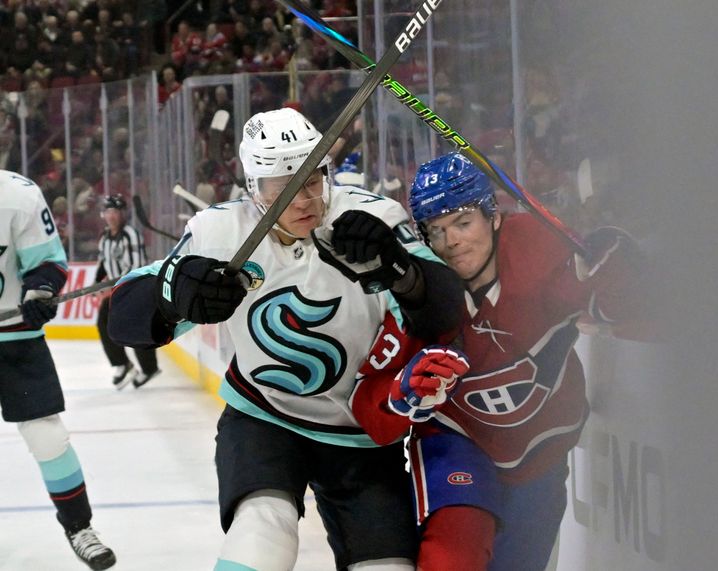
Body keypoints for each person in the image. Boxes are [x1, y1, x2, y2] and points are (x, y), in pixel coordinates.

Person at [107, 108, 465, 570]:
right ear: (254, 189)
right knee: (262, 530)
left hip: (358, 437)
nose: (304, 200)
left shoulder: (372, 219)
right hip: (264, 419)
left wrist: (400, 267)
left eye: (313, 179)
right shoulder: (222, 233)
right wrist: (175, 295)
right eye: (283, 188)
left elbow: (445, 313)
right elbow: (123, 318)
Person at [396, 153, 643, 570]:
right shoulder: (423, 275)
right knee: (453, 557)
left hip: (539, 449)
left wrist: (613, 276)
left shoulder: (535, 243)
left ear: (493, 216)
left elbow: (597, 302)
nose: (451, 242)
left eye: (462, 222)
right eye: (436, 230)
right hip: (458, 438)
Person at [0, 170, 116, 570]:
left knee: (47, 437)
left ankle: (78, 526)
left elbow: (47, 263)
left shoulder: (17, 196)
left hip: (13, 338)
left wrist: (39, 292)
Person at [94, 194, 160, 389]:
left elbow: (135, 268)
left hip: (137, 289)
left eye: (115, 211)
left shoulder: (131, 235)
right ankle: (123, 364)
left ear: (123, 214)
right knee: (104, 323)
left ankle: (147, 368)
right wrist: (96, 283)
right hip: (119, 292)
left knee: (137, 329)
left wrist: (114, 289)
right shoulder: (105, 238)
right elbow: (103, 264)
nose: (111, 216)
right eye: (108, 211)